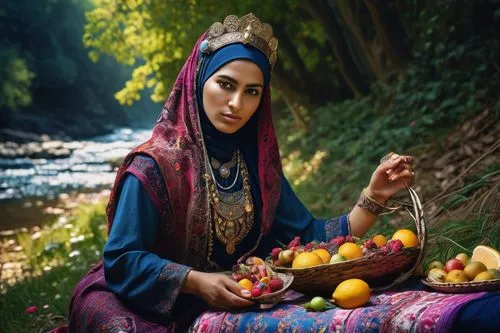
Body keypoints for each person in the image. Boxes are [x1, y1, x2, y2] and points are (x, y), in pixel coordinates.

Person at [63, 13, 415, 332]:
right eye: (226, 84)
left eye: (252, 92)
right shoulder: (153, 166)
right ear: (200, 80)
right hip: (140, 301)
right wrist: (195, 281)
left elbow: (308, 235)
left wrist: (375, 195)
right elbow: (121, 260)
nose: (236, 104)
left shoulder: (253, 164)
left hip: (236, 296)